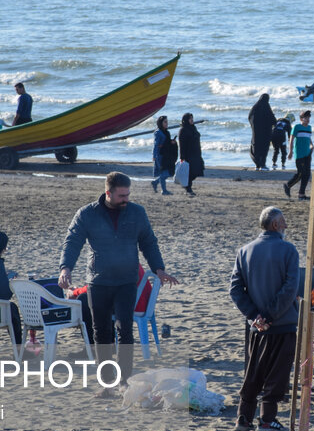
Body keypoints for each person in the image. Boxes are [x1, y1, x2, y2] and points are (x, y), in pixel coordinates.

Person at [58, 172, 178, 397]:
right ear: (108, 193)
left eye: (128, 194)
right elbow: (72, 241)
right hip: (98, 280)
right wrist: (66, 268)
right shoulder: (87, 214)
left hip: (126, 280)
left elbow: (148, 242)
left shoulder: (136, 212)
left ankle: (124, 380)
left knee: (125, 329)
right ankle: (107, 383)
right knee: (101, 332)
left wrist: (159, 269)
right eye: (122, 195)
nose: (126, 199)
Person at [229, 207, 299, 431]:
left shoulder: (245, 250)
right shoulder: (288, 250)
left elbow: (236, 290)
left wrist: (254, 316)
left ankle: (243, 418)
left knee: (253, 372)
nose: (286, 226)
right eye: (284, 222)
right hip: (281, 323)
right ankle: (267, 418)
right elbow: (290, 290)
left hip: (257, 326)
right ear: (276, 225)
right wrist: (266, 316)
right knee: (277, 374)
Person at [284, 110, 313, 200]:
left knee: (307, 174)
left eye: (308, 118)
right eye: (305, 118)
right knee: (300, 173)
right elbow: (291, 139)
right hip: (299, 154)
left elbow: (308, 139)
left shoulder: (309, 128)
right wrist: (290, 151)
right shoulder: (297, 127)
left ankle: (301, 194)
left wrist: (312, 146)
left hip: (308, 154)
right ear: (301, 119)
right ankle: (288, 185)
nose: (307, 120)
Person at [177, 112, 204, 196]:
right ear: (186, 120)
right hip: (188, 155)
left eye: (192, 118)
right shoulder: (183, 130)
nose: (192, 120)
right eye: (190, 119)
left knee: (198, 170)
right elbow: (181, 145)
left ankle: (187, 186)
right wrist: (182, 157)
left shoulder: (193, 128)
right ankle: (188, 188)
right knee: (190, 172)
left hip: (196, 154)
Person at [150, 116, 177, 195]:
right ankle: (164, 190)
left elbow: (167, 142)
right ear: (160, 123)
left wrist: (172, 142)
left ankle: (155, 182)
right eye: (165, 122)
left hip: (166, 154)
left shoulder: (167, 132)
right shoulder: (158, 132)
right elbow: (156, 144)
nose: (166, 124)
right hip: (160, 155)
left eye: (167, 122)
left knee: (167, 172)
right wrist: (154, 155)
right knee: (164, 172)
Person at [248, 93, 275, 171]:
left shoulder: (254, 108)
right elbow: (272, 119)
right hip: (266, 133)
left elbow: (250, 117)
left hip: (256, 133)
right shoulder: (267, 107)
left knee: (256, 147)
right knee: (264, 148)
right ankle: (262, 165)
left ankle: (257, 165)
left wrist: (253, 126)